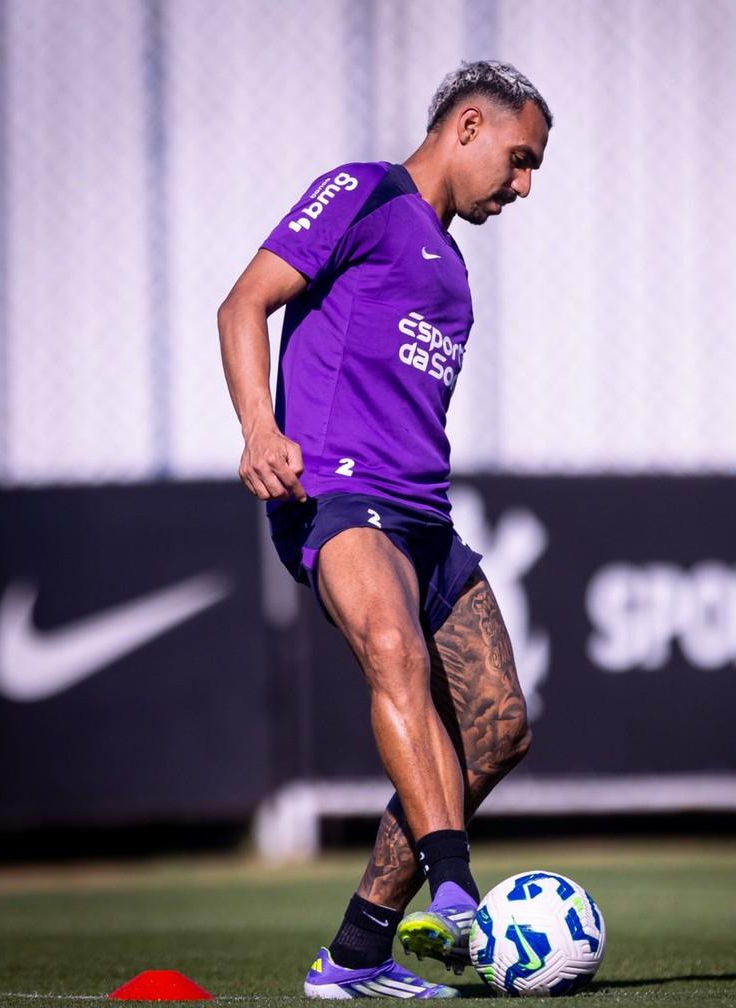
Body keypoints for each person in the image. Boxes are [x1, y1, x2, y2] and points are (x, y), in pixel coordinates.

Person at [218, 59, 552, 999]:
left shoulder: (456, 274)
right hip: (336, 494)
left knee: (500, 729)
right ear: (468, 126)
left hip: (426, 517)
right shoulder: (363, 193)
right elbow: (242, 304)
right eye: (520, 159)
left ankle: (359, 950)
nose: (523, 186)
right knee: (392, 648)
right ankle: (456, 894)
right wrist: (259, 429)